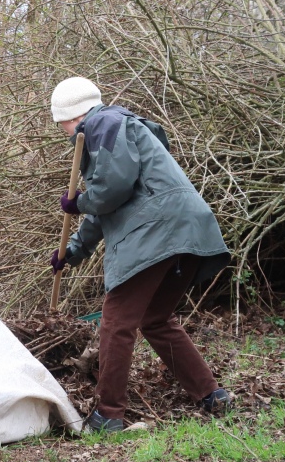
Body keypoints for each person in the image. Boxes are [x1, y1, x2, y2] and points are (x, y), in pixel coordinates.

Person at [48, 77, 232, 432]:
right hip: (187, 226)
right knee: (156, 319)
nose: (67, 133)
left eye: (63, 125)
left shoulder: (101, 123)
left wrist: (79, 201)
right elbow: (110, 204)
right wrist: (73, 250)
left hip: (156, 230)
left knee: (116, 322)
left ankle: (108, 415)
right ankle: (211, 395)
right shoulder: (121, 128)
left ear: (72, 116)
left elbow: (110, 191)